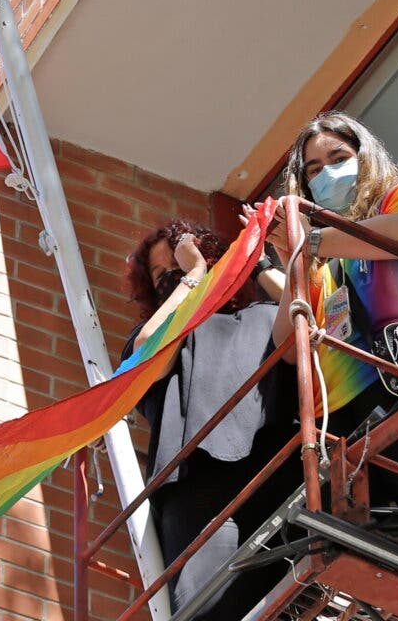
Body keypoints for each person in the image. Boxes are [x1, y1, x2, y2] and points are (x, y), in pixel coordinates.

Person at [261, 111, 398, 547]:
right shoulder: (320, 264)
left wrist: (314, 239)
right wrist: (294, 260)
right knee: (376, 531)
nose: (326, 173)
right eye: (314, 170)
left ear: (365, 157)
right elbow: (286, 346)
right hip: (342, 417)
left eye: (338, 157)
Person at [122, 220, 297, 619]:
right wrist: (195, 276)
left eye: (180, 265)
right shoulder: (163, 333)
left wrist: (256, 263)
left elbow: (309, 320)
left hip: (275, 476)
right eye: (162, 275)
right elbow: (149, 354)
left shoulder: (263, 315)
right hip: (198, 488)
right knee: (208, 607)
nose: (173, 277)